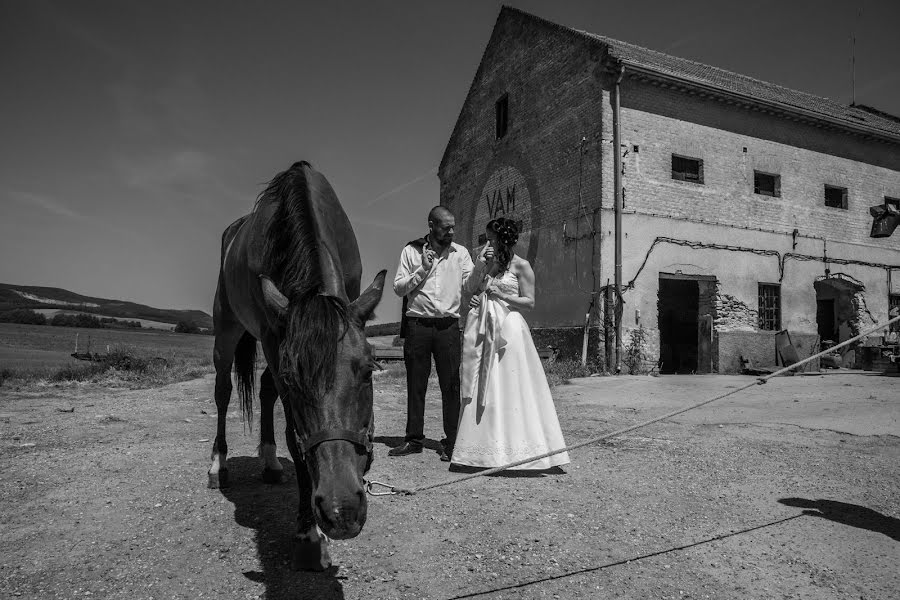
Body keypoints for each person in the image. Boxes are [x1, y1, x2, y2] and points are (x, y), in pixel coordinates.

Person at [452, 218, 570, 470]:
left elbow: (529, 302)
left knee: (512, 385)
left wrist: (502, 294)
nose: (487, 243)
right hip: (485, 328)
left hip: (510, 328)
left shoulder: (522, 266)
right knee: (486, 383)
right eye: (486, 239)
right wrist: (478, 295)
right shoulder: (488, 265)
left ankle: (520, 449)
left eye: (491, 239)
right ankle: (484, 451)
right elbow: (471, 289)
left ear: (503, 240)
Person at [390, 206, 484, 461]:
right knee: (416, 385)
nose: (452, 231)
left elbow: (469, 287)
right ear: (431, 225)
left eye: (453, 226)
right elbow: (399, 288)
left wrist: (481, 267)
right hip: (418, 326)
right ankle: (414, 440)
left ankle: (453, 441)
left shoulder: (461, 253)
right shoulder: (411, 250)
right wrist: (422, 269)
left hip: (448, 328)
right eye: (446, 227)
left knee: (451, 385)